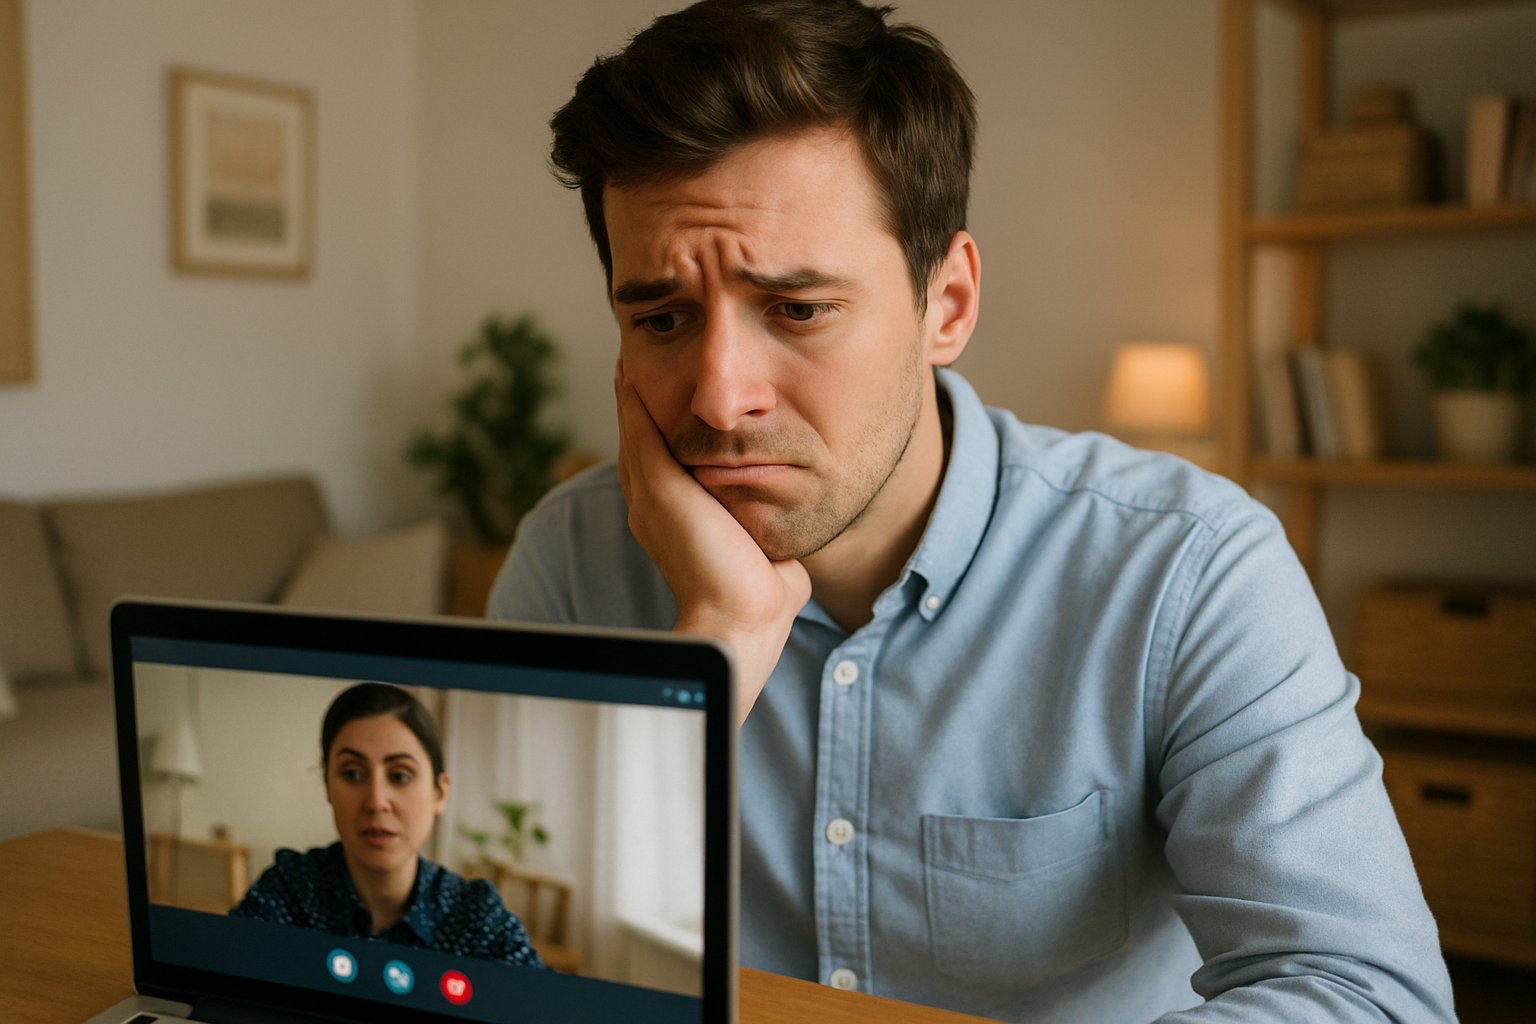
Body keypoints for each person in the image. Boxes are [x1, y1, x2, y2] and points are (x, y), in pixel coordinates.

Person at [489, 0, 1455, 1019]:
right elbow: (483, 958)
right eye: (663, 318)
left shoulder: (1189, 569)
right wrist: (714, 646)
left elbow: (1368, 994)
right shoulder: (573, 558)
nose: (721, 398)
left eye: (798, 309)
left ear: (946, 304)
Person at [230, 683, 544, 969]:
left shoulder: (475, 916)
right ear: (327, 785)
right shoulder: (289, 892)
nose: (376, 801)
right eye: (352, 774)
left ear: (439, 793)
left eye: (400, 776)